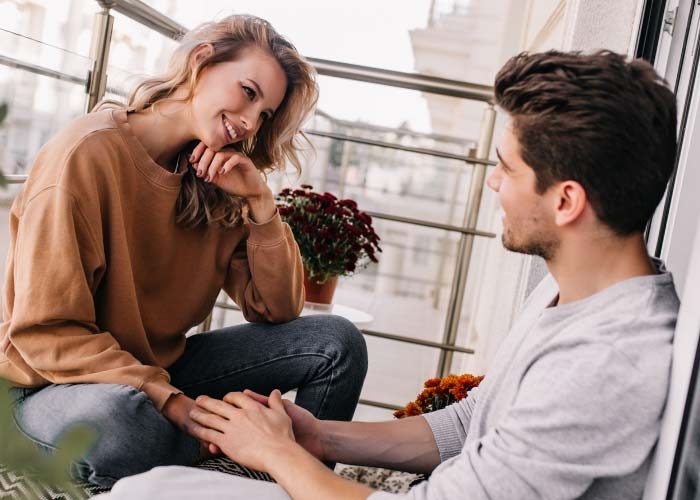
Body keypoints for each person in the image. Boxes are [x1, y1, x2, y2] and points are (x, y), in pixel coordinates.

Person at [98, 49, 680, 500]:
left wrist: (279, 455)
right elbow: (472, 424)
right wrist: (321, 438)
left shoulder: (605, 365)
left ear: (566, 201)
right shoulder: (575, 294)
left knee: (144, 492)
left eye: (507, 168)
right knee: (146, 490)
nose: (493, 181)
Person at [0, 15, 368, 487]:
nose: (250, 123)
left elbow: (276, 308)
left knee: (337, 343)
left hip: (160, 373)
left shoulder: (217, 179)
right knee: (120, 419)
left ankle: (289, 484)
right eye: (249, 93)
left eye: (265, 115)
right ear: (200, 61)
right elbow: (45, 332)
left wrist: (260, 204)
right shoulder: (85, 155)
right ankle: (234, 452)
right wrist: (171, 403)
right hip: (50, 388)